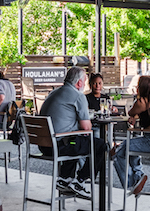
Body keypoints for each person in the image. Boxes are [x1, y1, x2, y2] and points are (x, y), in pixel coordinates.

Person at [39, 66, 106, 199]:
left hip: (44, 145)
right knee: (100, 146)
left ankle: (65, 178)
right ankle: (80, 181)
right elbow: (86, 128)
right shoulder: (78, 96)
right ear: (79, 83)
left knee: (75, 140)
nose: (85, 84)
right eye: (85, 81)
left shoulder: (53, 93)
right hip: (59, 146)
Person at [111, 75, 150, 197]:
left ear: (141, 88)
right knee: (131, 147)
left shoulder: (141, 102)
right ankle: (138, 176)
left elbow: (131, 112)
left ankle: (131, 183)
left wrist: (134, 115)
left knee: (121, 150)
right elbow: (140, 114)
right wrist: (136, 116)